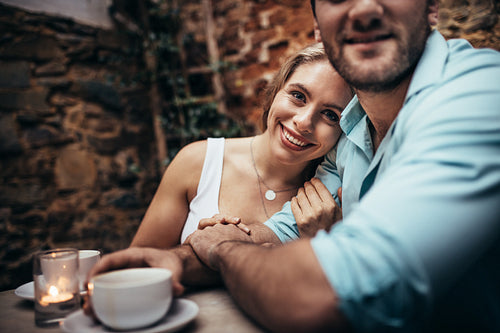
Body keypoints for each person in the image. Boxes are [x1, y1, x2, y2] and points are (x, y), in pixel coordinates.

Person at [87, 1, 500, 332]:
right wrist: (178, 261)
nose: (364, 10)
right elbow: (271, 234)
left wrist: (223, 248)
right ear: (319, 26)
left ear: (431, 9)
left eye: (329, 115)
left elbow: (320, 293)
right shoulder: (351, 138)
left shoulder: (480, 95)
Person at [130, 43, 351, 248]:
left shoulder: (339, 198)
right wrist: (195, 248)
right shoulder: (197, 161)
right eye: (298, 96)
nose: (304, 122)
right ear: (275, 91)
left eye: (331, 115)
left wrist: (326, 245)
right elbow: (137, 269)